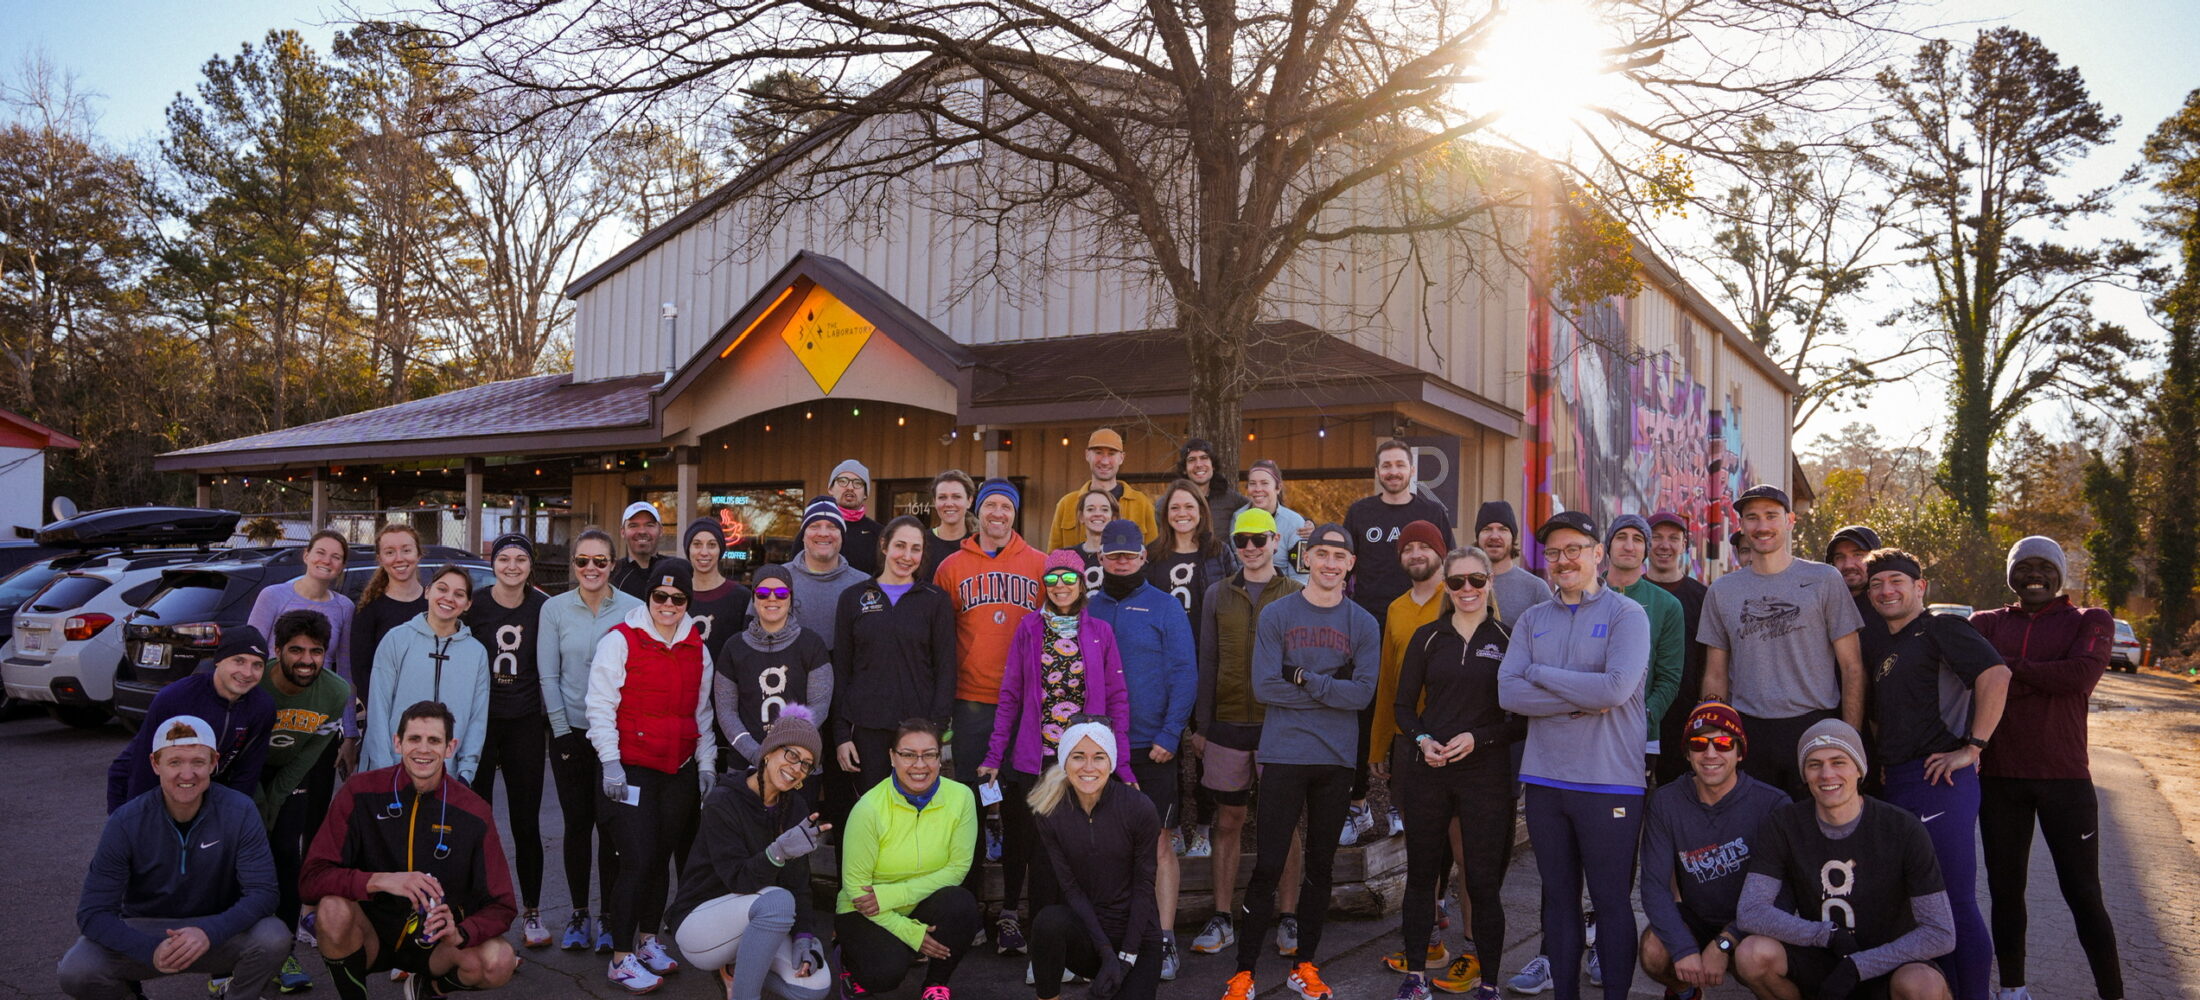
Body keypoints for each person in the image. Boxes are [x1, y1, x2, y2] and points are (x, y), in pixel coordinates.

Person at [1218, 523, 1379, 1000]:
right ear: (1307, 558)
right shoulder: (1277, 614)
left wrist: (1305, 679)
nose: (1330, 563)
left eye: (1339, 556)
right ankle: (1244, 971)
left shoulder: (1363, 623)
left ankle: (1304, 964)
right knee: (1268, 864)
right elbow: (1265, 687)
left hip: (1335, 759)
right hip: (1284, 754)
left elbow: (1363, 694)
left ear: (1351, 564)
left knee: (1321, 867)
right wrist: (1335, 687)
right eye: (1322, 554)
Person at [1497, 510, 1652, 1000]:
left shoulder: (1628, 615)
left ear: (1597, 554)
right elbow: (1507, 694)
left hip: (1610, 781)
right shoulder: (1531, 618)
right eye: (1555, 552)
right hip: (1545, 780)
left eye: (1574, 550)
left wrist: (1541, 674)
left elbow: (1616, 687)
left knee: (1610, 902)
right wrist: (1586, 696)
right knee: (1559, 904)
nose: (1563, 560)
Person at [1966, 537, 2122, 1000]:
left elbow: (2081, 676)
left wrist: (2006, 671)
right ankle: (2012, 990)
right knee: (2005, 892)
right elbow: (1972, 680)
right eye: (2024, 566)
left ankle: (2112, 992)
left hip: (2066, 780)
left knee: (2084, 895)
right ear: (2010, 574)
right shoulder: (1985, 623)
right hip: (2000, 779)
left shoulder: (2091, 620)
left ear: (2060, 575)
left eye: (2045, 566)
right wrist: (2041, 674)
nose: (2035, 574)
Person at [1859, 549, 2008, 1000]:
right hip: (1898, 782)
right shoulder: (1885, 645)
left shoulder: (1942, 627)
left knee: (1953, 903)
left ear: (1920, 587)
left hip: (1940, 780)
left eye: (1896, 581)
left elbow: (1997, 675)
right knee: (1916, 910)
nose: (1887, 590)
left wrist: (1973, 747)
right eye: (1877, 584)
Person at [62, 715, 290, 1000]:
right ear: (155, 764)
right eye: (175, 762)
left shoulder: (240, 810)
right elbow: (93, 913)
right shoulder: (126, 821)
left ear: (214, 762)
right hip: (147, 929)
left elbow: (264, 893)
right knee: (77, 969)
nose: (187, 774)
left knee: (273, 936)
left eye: (197, 761)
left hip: (217, 928)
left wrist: (209, 930)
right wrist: (148, 949)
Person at [302, 702, 520, 1000]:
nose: (423, 749)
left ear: (450, 747)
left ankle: (427, 990)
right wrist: (377, 880)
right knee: (331, 909)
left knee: (499, 960)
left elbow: (502, 905)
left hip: (436, 945)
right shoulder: (360, 792)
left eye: (434, 740)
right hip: (369, 937)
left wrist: (463, 932)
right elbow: (312, 878)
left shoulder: (474, 811)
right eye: (414, 739)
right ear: (397, 742)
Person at [980, 547, 1137, 956]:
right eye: (1052, 579)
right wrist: (995, 756)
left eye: (1069, 578)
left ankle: (1062, 932)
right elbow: (1011, 694)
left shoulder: (1100, 631)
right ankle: (1011, 916)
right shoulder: (1029, 628)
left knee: (1072, 846)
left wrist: (1120, 762)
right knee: (1022, 838)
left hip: (1080, 761)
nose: (1061, 586)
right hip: (1036, 757)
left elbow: (1117, 698)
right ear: (1043, 585)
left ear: (1082, 582)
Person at [1732, 720, 1955, 1000]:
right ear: (1804, 774)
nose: (1827, 774)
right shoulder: (1784, 824)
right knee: (1752, 954)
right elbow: (1751, 911)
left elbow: (1940, 932)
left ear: (1859, 769)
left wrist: (1859, 965)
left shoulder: (1902, 828)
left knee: (1923, 984)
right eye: (1814, 764)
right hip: (1823, 956)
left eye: (1839, 762)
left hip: (1890, 961)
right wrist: (1827, 934)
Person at [1392, 545, 1521, 999]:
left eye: (1476, 580)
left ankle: (1488, 983)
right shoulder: (1428, 637)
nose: (1467, 589)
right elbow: (1403, 708)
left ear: (1490, 583)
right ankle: (1415, 979)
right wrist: (1424, 742)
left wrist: (1477, 738)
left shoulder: (1509, 639)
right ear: (1446, 587)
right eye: (1457, 581)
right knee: (1422, 876)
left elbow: (1519, 721)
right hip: (1430, 769)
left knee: (1483, 880)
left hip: (1485, 774)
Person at [586, 557, 719, 992]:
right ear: (649, 598)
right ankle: (620, 957)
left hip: (677, 770)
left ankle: (648, 941)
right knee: (637, 859)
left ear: (687, 602)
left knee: (661, 859)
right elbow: (600, 705)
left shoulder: (698, 647)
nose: (668, 604)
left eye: (678, 598)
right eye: (660, 596)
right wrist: (609, 761)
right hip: (631, 769)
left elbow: (702, 712)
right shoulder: (620, 640)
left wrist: (705, 764)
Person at [1187, 507, 1306, 959]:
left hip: (1280, 726)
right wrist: (1201, 725)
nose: (1251, 548)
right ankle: (1221, 917)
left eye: (1259, 539)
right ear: (1233, 546)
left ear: (1276, 540)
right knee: (1229, 820)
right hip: (1228, 725)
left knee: (1284, 823)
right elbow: (1208, 661)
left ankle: (1289, 917)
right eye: (1242, 541)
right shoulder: (1217, 594)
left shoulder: (1296, 593)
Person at [1697, 485, 1865, 798]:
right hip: (1748, 729)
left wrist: (1849, 737)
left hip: (1815, 725)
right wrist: (1715, 735)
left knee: (1814, 830)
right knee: (1757, 834)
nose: (1762, 526)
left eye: (1771, 516)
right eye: (1752, 518)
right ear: (1742, 526)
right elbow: (1716, 672)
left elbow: (1852, 666)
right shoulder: (1722, 591)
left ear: (1789, 521)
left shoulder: (1825, 580)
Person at [1088, 519, 1198, 979]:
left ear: (1142, 558)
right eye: (1113, 556)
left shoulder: (1165, 607)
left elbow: (1184, 673)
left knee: (1159, 846)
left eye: (1129, 556)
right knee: (1102, 847)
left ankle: (1165, 939)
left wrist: (1170, 735)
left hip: (1151, 747)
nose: (1121, 562)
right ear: (1100, 559)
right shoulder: (1087, 608)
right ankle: (1109, 942)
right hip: (1100, 750)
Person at [667, 707, 834, 1000]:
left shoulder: (795, 808)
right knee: (780, 902)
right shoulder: (723, 800)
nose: (796, 767)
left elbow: (799, 884)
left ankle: (740, 969)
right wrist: (778, 852)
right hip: (701, 923)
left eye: (806, 764)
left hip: (758, 917)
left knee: (815, 986)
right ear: (768, 752)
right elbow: (738, 880)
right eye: (791, 754)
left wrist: (804, 937)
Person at [1342, 440, 1456, 841]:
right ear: (1378, 471)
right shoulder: (1360, 512)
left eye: (1399, 464)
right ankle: (1357, 806)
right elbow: (1343, 562)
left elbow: (1452, 564)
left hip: (1421, 624)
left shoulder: (1431, 512)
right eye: (1386, 465)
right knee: (1366, 710)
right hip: (1367, 627)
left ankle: (1398, 803)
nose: (1392, 471)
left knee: (1415, 707)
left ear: (1412, 469)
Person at [1635, 703, 1787, 1000]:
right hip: (1698, 917)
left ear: (1740, 752)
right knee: (1654, 951)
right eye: (1699, 743)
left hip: (1754, 922)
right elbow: (1654, 886)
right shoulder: (1667, 802)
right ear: (1688, 753)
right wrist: (1683, 948)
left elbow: (1784, 894)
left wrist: (1727, 942)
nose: (1711, 753)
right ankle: (1687, 991)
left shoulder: (1772, 804)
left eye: (1723, 743)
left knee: (1756, 959)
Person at [539, 528, 643, 953]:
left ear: (613, 565)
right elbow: (548, 674)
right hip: (571, 734)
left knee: (613, 829)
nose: (591, 569)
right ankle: (579, 914)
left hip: (617, 738)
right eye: (583, 561)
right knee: (578, 826)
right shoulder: (555, 609)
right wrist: (562, 732)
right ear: (574, 566)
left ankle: (609, 918)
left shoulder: (635, 608)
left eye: (600, 561)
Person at [933, 478, 1046, 861]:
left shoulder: (1039, 564)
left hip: (1024, 703)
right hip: (972, 701)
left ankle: (1014, 891)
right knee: (974, 793)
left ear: (1015, 514)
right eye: (990, 505)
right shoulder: (951, 567)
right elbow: (941, 637)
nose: (997, 513)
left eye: (1006, 507)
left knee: (1019, 796)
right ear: (976, 510)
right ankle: (974, 882)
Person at [836, 720, 982, 999]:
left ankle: (935, 984)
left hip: (901, 900)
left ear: (940, 757)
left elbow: (957, 869)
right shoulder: (868, 808)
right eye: (908, 754)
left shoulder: (961, 797)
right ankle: (849, 957)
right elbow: (856, 889)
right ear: (892, 757)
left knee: (961, 904)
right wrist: (910, 933)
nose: (920, 764)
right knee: (884, 974)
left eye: (929, 754)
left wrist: (892, 895)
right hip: (865, 909)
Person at [1027, 720, 1167, 1000]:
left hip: (1137, 938)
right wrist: (1105, 954)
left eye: (1098, 757)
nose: (1088, 767)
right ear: (1065, 761)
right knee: (1048, 922)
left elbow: (1144, 887)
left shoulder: (1138, 808)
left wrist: (1125, 959)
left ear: (1111, 762)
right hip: (1089, 934)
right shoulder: (1049, 810)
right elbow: (1070, 888)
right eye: (1078, 756)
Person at [462, 533, 555, 948]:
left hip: (525, 723)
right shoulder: (476, 604)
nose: (512, 566)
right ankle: (476, 909)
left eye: (520, 558)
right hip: (482, 723)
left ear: (530, 565)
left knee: (525, 821)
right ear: (493, 563)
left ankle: (532, 912)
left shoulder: (543, 607)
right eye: (504, 558)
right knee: (477, 820)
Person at [256, 610, 351, 993]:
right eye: (295, 650)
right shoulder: (255, 681)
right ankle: (230, 957)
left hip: (289, 774)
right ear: (277, 650)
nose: (306, 660)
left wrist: (275, 799)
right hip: (243, 773)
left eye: (316, 651)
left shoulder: (335, 691)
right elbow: (241, 752)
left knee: (285, 854)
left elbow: (309, 755)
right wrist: (258, 803)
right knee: (239, 859)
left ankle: (283, 952)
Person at [835, 516, 959, 791]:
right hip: (867, 728)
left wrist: (935, 732)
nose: (907, 556)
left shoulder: (935, 600)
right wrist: (842, 735)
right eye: (900, 546)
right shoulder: (853, 598)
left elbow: (946, 668)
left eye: (916, 548)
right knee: (873, 812)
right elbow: (842, 669)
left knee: (917, 813)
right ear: (884, 546)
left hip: (918, 731)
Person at [107, 628, 275, 813]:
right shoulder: (176, 697)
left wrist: (232, 819)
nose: (247, 672)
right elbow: (143, 767)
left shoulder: (262, 707)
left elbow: (247, 773)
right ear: (218, 660)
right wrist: (142, 820)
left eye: (257, 665)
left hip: (200, 784)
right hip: (137, 783)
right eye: (239, 661)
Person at [362, 567, 491, 784]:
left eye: (459, 594)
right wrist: (384, 767)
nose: (449, 598)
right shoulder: (396, 640)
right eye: (442, 589)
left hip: (447, 773)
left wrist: (466, 771)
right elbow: (378, 708)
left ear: (468, 604)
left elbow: (477, 717)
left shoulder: (476, 652)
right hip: (394, 767)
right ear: (427, 591)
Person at [248, 529, 358, 773]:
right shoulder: (274, 596)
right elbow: (251, 655)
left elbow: (345, 672)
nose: (326, 561)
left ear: (342, 566)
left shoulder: (344, 607)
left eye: (335, 557)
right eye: (320, 552)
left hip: (316, 714)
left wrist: (350, 733)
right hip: (272, 707)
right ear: (306, 555)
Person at [1369, 519, 1449, 849]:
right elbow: (1388, 678)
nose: (1416, 554)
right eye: (1408, 548)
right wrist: (1378, 744)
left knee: (1450, 824)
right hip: (1407, 736)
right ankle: (1425, 898)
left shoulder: (1460, 596)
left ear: (1441, 553)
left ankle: (1443, 897)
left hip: (1450, 728)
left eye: (1424, 547)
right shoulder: (1396, 608)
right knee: (1411, 818)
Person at [717, 565, 835, 766]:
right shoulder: (734, 647)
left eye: (781, 593)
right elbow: (726, 712)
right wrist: (757, 754)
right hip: (746, 764)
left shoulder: (811, 644)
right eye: (763, 593)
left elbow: (819, 708)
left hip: (799, 763)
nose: (772, 598)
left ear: (790, 599)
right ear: (754, 599)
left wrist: (786, 754)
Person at [1601, 514, 1685, 772]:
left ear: (1646, 549)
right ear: (1607, 546)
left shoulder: (1667, 605)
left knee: (1626, 811)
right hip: (1583, 732)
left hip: (1638, 737)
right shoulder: (1585, 595)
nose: (1629, 546)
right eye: (1621, 538)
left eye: (1638, 539)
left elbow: (1669, 677)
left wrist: (1644, 718)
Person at [351, 524, 429, 768]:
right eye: (390, 552)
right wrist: (383, 713)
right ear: (380, 558)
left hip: (430, 717)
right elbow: (361, 670)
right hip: (386, 719)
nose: (399, 559)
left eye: (406, 550)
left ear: (418, 554)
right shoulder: (369, 609)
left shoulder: (434, 603)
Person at [1645, 512, 1710, 786]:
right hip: (1636, 718)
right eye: (1656, 537)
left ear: (1685, 545)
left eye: (1673, 538)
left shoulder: (1703, 597)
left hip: (1683, 719)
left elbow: (1710, 661)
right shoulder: (1626, 594)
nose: (1664, 545)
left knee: (1680, 798)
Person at [782, 496, 869, 651]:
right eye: (814, 526)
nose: (823, 533)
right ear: (803, 535)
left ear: (842, 536)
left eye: (832, 526)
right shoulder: (778, 579)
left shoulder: (864, 585)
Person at [1049, 428, 1158, 549]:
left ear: (1121, 458)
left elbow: (1153, 554)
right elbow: (1053, 558)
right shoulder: (1066, 504)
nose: (1105, 461)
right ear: (1087, 455)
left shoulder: (1142, 504)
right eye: (1098, 453)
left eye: (1111, 454)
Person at [1148, 478, 1235, 627]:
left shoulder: (1219, 552)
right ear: (1166, 513)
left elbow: (1234, 602)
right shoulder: (1151, 554)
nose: (1182, 513)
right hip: (1164, 646)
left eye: (1189, 506)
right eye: (1175, 508)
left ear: (1201, 511)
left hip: (1207, 645)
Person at [1473, 501, 1550, 625]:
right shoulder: (1461, 585)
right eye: (1487, 529)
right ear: (1478, 537)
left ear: (1513, 537)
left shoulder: (1536, 589)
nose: (1494, 536)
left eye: (1503, 529)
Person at [684, 517, 754, 647]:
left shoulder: (742, 598)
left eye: (711, 545)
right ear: (688, 549)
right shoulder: (676, 596)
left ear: (720, 550)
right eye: (697, 544)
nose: (704, 552)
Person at [1243, 460, 1311, 582]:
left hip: (1283, 595)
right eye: (1252, 483)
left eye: (1264, 483)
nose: (1258, 489)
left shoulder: (1294, 523)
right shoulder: (1238, 518)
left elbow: (1300, 577)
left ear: (1278, 487)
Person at [1176, 438, 1249, 538]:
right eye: (1192, 460)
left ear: (1213, 465)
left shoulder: (1233, 500)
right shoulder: (1171, 502)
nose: (1198, 464)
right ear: (1184, 469)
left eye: (1204, 458)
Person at [829, 459, 884, 577]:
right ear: (830, 489)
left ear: (865, 493)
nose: (850, 487)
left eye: (857, 483)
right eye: (842, 481)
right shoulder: (815, 530)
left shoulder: (879, 533)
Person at [922, 470, 979, 580]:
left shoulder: (980, 544)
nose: (949, 503)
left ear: (969, 501)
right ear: (934, 501)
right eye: (942, 497)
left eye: (956, 497)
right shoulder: (921, 543)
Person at [611, 502, 670, 601]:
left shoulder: (674, 569)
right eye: (633, 525)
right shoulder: (612, 573)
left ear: (661, 530)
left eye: (649, 525)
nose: (642, 531)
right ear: (622, 532)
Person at [1824, 525, 1883, 624]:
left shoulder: (1891, 605)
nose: (1848, 565)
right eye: (1840, 557)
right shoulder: (1823, 608)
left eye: (1858, 555)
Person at [1073, 488, 1122, 590]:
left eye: (1104, 509)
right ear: (1081, 517)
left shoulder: (1124, 557)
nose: (1098, 514)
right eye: (1090, 509)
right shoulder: (1067, 556)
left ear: (1114, 517)